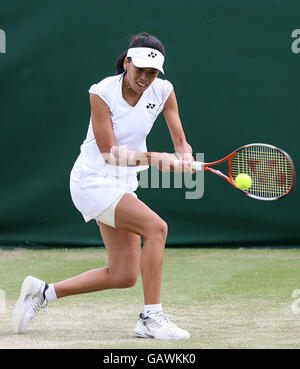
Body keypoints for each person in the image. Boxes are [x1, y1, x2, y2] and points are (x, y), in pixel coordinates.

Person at [12, 32, 195, 339]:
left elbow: (181, 141)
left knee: (123, 275)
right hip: (92, 181)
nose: (146, 78)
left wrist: (185, 156)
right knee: (157, 228)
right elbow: (109, 153)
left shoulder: (164, 90)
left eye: (152, 73)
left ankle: (43, 293)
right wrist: (155, 158)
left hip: (122, 184)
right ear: (127, 63)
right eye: (140, 70)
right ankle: (151, 318)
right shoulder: (101, 92)